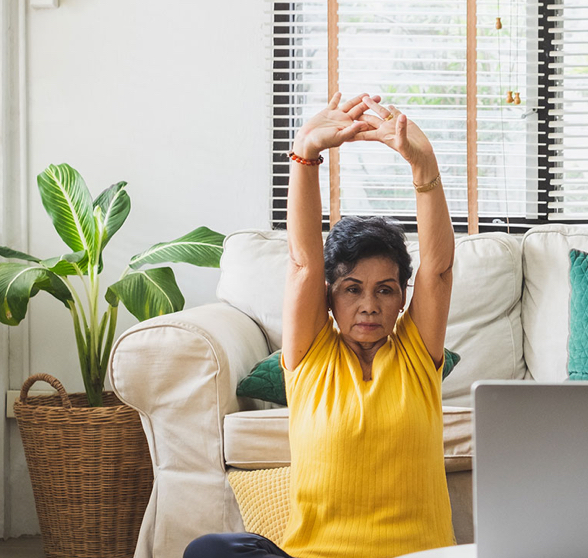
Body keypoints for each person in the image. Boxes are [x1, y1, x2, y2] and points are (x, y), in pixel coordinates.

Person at [185, 93, 457, 558]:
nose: (369, 305)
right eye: (352, 289)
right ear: (329, 297)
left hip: (418, 555)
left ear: (402, 299)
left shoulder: (416, 355)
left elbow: (437, 270)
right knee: (211, 551)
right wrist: (305, 155)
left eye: (385, 290)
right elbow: (303, 264)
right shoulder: (312, 356)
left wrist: (425, 167)